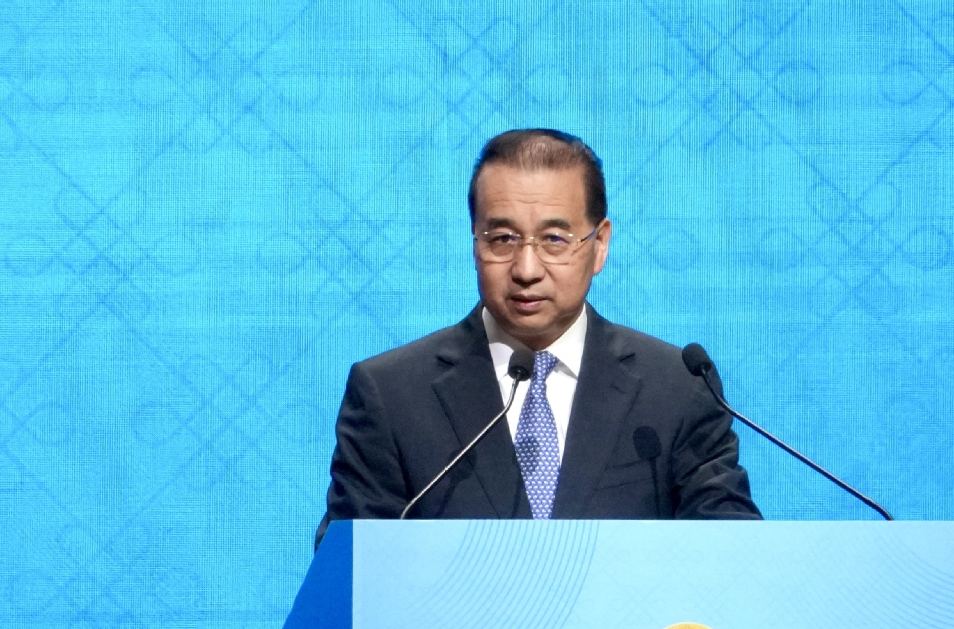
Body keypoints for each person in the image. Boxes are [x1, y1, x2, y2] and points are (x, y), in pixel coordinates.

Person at [315, 129, 759, 546]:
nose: (526, 270)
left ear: (600, 244)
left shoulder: (677, 389)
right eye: (502, 239)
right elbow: (349, 573)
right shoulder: (392, 395)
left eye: (554, 239)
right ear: (474, 242)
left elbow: (734, 557)